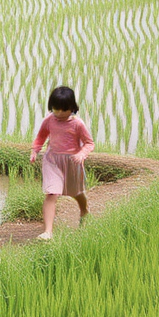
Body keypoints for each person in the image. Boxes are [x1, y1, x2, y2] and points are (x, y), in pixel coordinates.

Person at [29, 85, 94, 240]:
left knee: (76, 193)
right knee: (52, 193)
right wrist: (35, 150)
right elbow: (41, 137)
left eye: (63, 110)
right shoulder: (49, 120)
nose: (59, 113)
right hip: (52, 160)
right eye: (55, 109)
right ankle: (48, 232)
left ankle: (84, 210)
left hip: (72, 161)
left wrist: (81, 154)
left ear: (71, 108)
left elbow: (89, 143)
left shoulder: (78, 124)